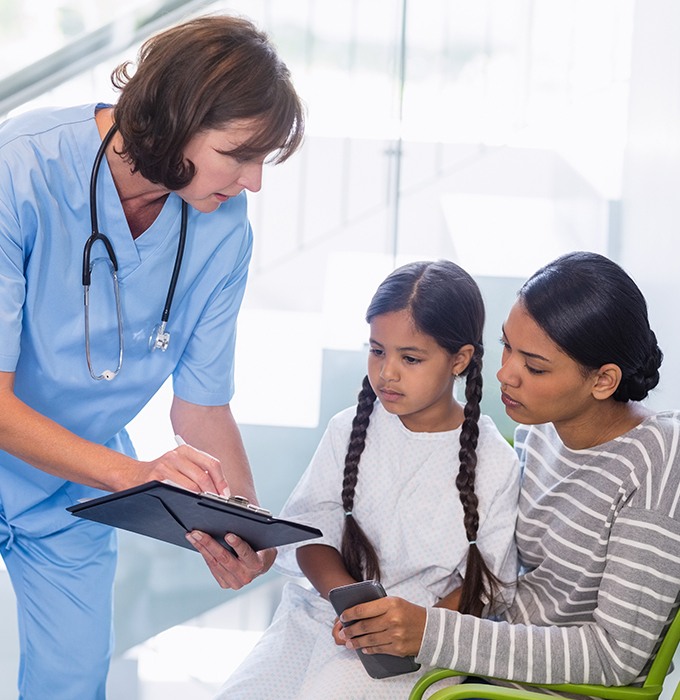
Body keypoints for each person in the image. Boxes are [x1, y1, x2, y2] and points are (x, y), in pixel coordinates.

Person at [0, 13, 304, 699]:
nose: (253, 182)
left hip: (71, 480)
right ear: (173, 119)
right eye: (239, 154)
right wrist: (133, 475)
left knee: (71, 684)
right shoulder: (21, 169)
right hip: (94, 464)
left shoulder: (224, 226)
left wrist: (241, 523)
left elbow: (200, 403)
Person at [337, 251, 680, 690]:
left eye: (534, 366)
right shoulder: (541, 435)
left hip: (537, 692)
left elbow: (615, 658)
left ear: (603, 380)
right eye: (506, 347)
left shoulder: (659, 458)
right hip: (481, 663)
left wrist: (432, 631)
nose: (504, 374)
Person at [216, 260, 520, 699]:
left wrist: (405, 629)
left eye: (410, 358)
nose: (387, 372)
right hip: (321, 617)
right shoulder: (348, 430)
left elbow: (486, 586)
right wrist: (352, 609)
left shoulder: (494, 461)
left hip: (418, 642)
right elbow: (312, 536)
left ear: (460, 359)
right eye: (377, 350)